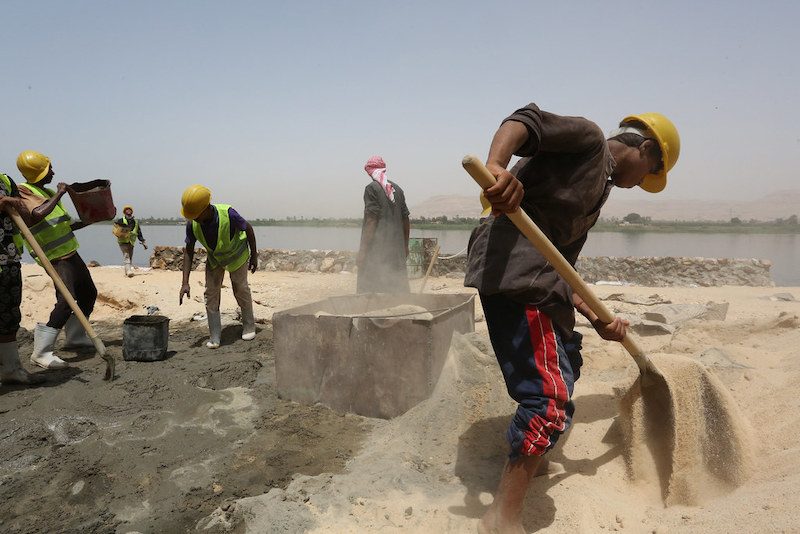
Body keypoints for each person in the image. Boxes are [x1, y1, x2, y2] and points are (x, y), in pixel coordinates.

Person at [464, 103, 680, 533]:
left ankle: (533, 456)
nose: (640, 186)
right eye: (649, 174)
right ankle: (501, 518)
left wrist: (599, 318)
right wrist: (496, 167)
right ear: (648, 149)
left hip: (544, 282)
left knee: (569, 359)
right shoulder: (589, 139)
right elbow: (524, 120)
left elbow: (564, 268)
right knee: (548, 399)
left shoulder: (598, 191)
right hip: (516, 273)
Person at [15, 150, 97, 370]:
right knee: (66, 300)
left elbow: (65, 224)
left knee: (89, 293)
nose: (53, 172)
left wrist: (90, 220)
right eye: (49, 169)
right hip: (55, 258)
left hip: (71, 252)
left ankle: (76, 338)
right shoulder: (23, 192)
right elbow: (37, 214)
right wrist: (60, 194)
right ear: (38, 173)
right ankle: (41, 352)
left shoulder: (48, 191)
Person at [178, 185, 257, 348]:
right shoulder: (192, 225)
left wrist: (254, 255)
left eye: (196, 215)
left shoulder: (228, 213)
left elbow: (248, 228)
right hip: (216, 259)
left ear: (206, 208)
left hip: (237, 255)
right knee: (210, 292)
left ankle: (249, 325)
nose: (194, 219)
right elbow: (188, 251)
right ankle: (215, 334)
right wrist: (185, 282)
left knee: (240, 288)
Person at [0, 172, 44, 385]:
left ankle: (11, 369)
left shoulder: (6, 181)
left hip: (8, 260)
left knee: (8, 318)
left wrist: (13, 201)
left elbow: (26, 217)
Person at [356, 156, 411, 294]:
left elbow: (371, 221)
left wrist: (363, 251)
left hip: (378, 251)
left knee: (371, 289)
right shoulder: (397, 189)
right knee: (396, 288)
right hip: (397, 250)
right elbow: (406, 220)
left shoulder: (371, 189)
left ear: (370, 171)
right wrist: (404, 246)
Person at [113, 205, 147, 277]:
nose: (128, 211)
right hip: (122, 241)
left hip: (131, 242)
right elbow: (116, 229)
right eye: (127, 210)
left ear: (132, 211)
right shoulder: (121, 220)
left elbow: (139, 232)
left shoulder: (135, 222)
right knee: (126, 255)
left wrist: (143, 242)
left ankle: (127, 271)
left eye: (129, 210)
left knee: (130, 256)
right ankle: (129, 271)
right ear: (124, 212)